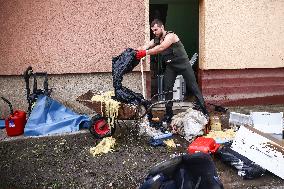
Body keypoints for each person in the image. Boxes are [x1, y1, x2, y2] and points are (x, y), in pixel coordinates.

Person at [136, 19, 209, 123]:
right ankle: (169, 114)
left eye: (156, 30)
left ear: (162, 27)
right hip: (171, 66)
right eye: (153, 31)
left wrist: (145, 53)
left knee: (193, 87)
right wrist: (138, 50)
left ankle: (205, 112)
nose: (154, 32)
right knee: (167, 89)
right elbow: (146, 46)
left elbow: (161, 48)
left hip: (183, 64)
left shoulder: (170, 36)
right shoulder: (156, 39)